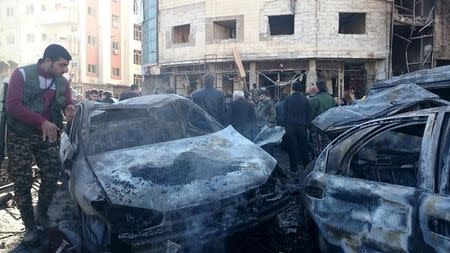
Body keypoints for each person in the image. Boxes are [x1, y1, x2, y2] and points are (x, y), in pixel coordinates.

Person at [5, 44, 75, 246]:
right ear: (47, 61)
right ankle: (30, 227)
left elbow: (66, 99)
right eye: (62, 64)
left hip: (47, 134)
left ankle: (42, 215)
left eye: (66, 65)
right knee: (22, 180)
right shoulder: (22, 75)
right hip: (20, 135)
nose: (65, 70)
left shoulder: (61, 81)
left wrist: (69, 107)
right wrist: (41, 121)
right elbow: (13, 106)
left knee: (52, 174)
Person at [282, 81, 311, 171]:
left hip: (290, 127)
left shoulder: (287, 99)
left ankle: (293, 168)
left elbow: (284, 113)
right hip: (302, 127)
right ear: (300, 89)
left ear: (292, 89)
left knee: (292, 147)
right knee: (303, 146)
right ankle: (306, 166)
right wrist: (307, 125)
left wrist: (285, 125)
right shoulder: (305, 99)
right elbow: (309, 113)